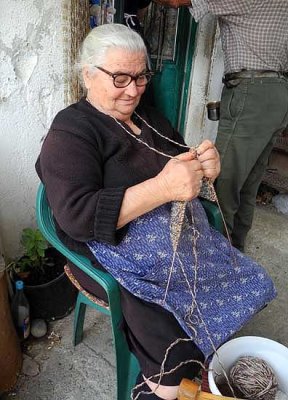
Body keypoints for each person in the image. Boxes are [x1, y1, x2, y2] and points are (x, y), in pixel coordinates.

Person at [36, 24, 276, 400]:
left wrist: (203, 166)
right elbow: (76, 216)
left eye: (140, 76)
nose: (132, 90)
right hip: (113, 255)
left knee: (245, 279)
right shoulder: (71, 131)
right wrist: (162, 188)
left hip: (177, 244)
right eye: (119, 78)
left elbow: (178, 158)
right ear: (87, 73)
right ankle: (155, 387)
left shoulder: (149, 117)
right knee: (168, 347)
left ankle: (202, 353)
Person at [154, 0, 288, 252]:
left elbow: (174, 1)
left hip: (253, 92)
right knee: (248, 184)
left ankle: (213, 257)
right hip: (279, 93)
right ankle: (235, 251)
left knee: (222, 184)